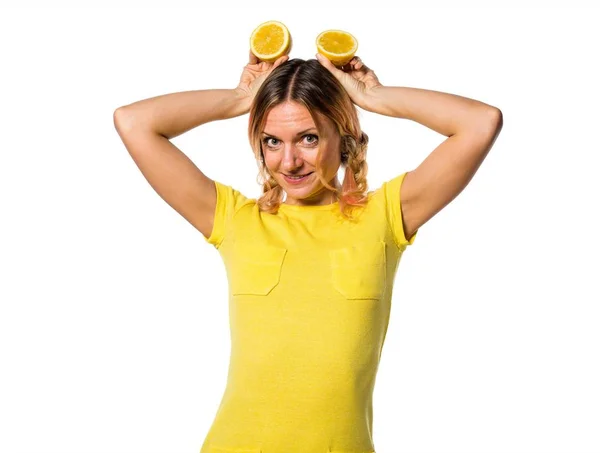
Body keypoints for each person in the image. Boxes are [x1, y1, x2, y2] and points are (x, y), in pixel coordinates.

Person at [114, 48, 503, 453]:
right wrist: (239, 98)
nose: (290, 161)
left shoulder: (386, 216)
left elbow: (480, 122)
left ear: (344, 136)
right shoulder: (234, 218)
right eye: (272, 141)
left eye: (309, 138)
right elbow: (134, 122)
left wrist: (374, 97)